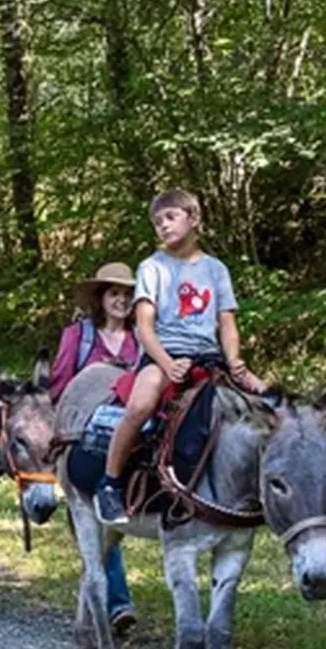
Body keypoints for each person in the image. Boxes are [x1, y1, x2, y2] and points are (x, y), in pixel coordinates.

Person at [94, 190, 265, 526]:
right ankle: (110, 483)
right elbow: (144, 326)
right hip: (163, 355)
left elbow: (227, 323)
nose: (163, 226)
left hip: (209, 356)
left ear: (194, 218)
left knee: (267, 399)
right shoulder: (152, 267)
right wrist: (166, 361)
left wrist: (234, 359)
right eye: (157, 222)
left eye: (170, 217)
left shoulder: (216, 270)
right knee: (141, 405)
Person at [50, 262, 141, 633]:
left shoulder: (143, 337)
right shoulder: (79, 336)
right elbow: (59, 386)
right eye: (114, 293)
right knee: (101, 512)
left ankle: (91, 609)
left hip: (131, 440)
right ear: (100, 299)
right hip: (84, 441)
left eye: (127, 294)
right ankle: (116, 603)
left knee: (109, 519)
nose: (121, 300)